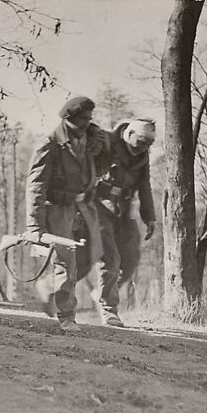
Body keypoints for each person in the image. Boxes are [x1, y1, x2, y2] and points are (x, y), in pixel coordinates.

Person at [24, 96, 108, 332]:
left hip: (84, 208)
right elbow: (36, 186)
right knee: (66, 262)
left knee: (91, 255)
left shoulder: (90, 141)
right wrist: (34, 226)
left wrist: (102, 147)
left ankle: (50, 286)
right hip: (59, 208)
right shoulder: (50, 144)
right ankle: (67, 316)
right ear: (69, 118)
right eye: (83, 119)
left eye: (90, 119)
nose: (88, 123)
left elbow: (100, 169)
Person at [93, 118, 157, 327]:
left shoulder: (143, 156)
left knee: (130, 260)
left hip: (123, 210)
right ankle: (108, 309)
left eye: (149, 144)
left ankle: (101, 292)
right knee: (110, 257)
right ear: (129, 135)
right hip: (98, 207)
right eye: (141, 142)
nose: (144, 148)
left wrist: (149, 217)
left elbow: (144, 186)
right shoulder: (108, 143)